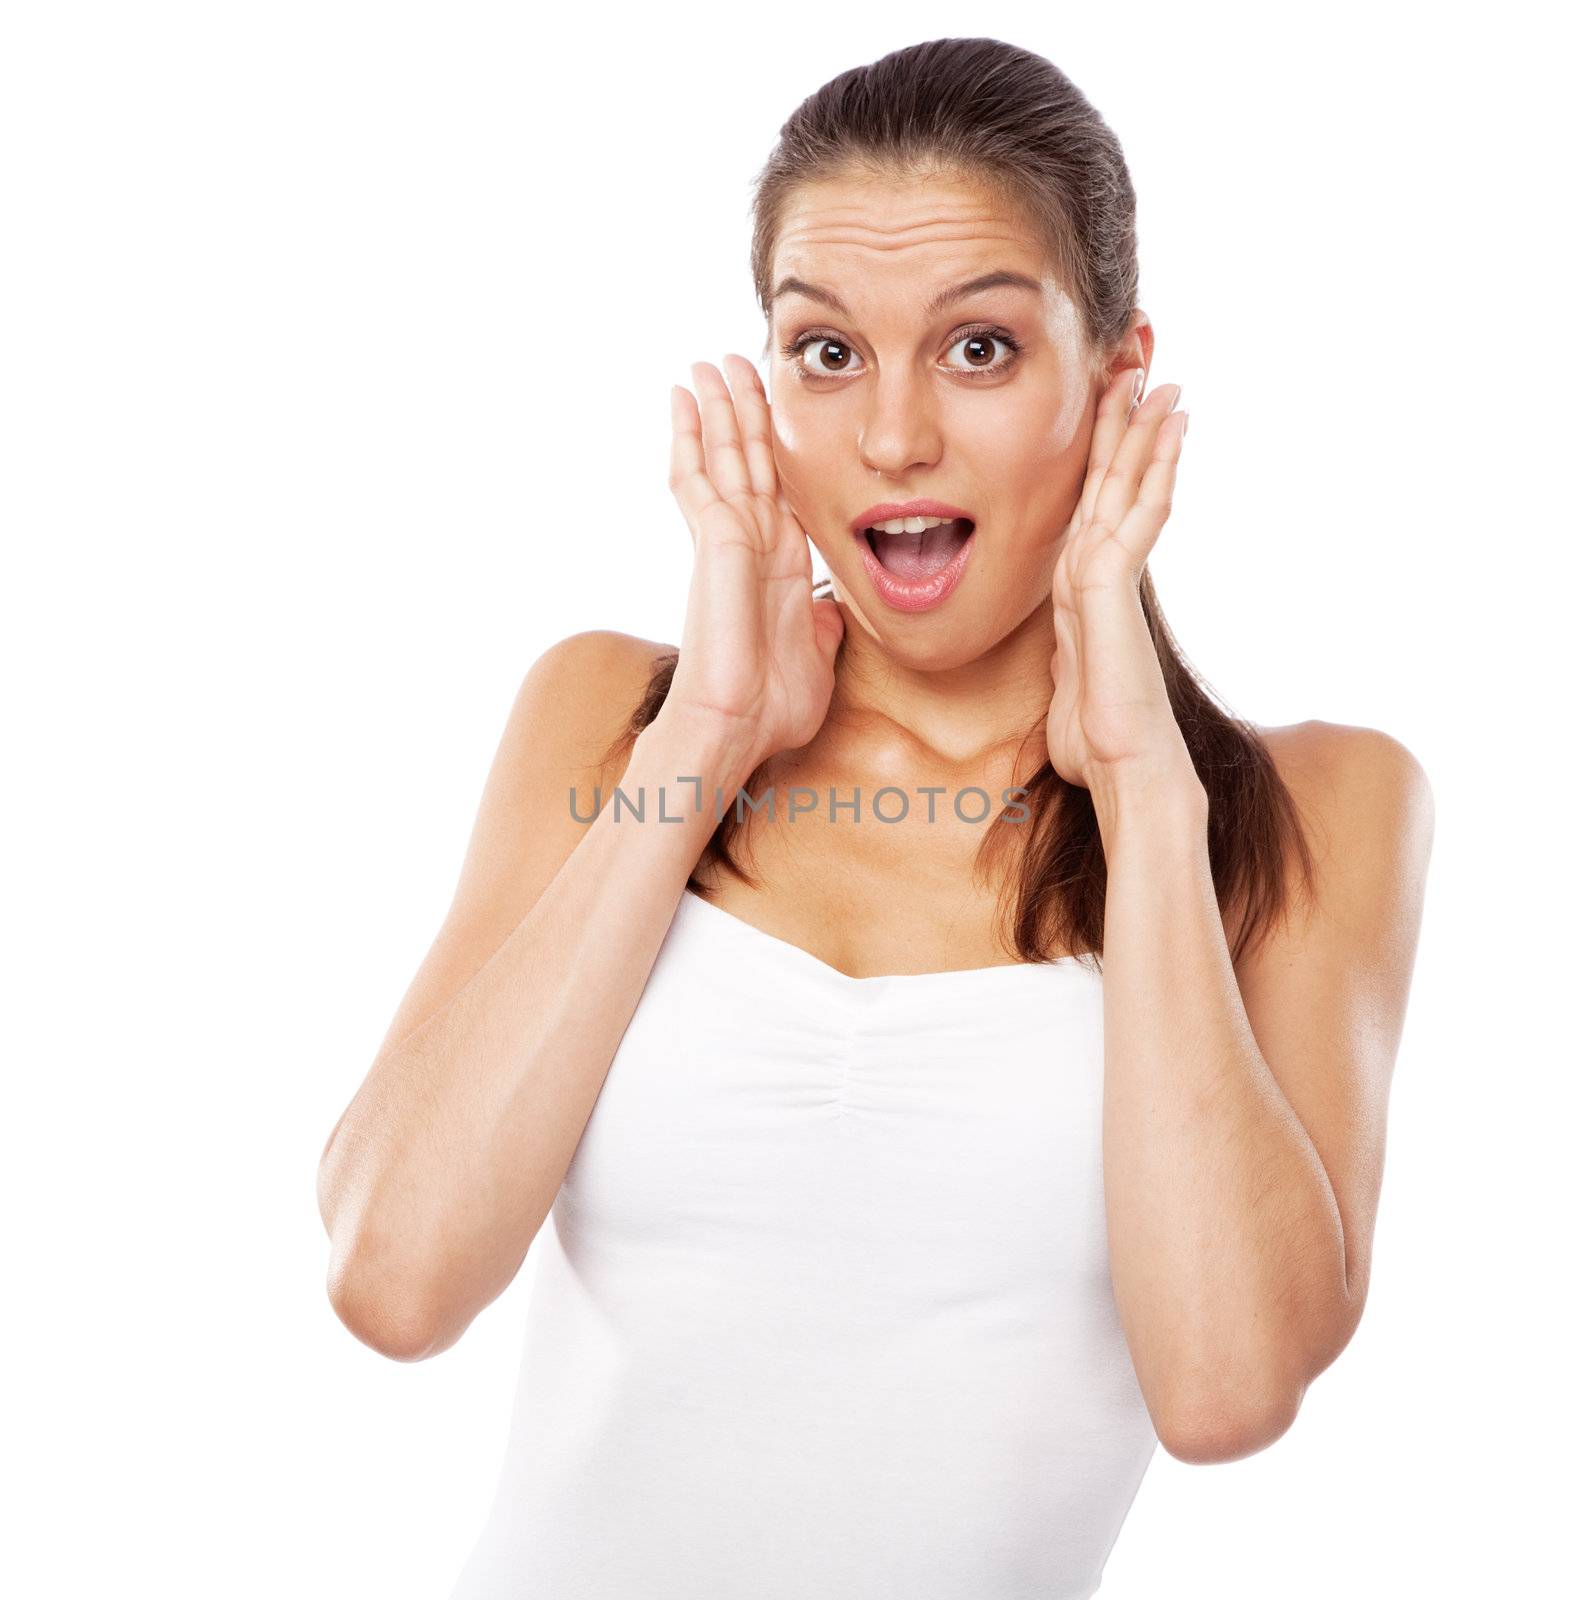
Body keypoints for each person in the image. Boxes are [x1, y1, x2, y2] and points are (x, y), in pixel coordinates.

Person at [316, 36, 1434, 1599]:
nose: (894, 438)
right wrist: (702, 740)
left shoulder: (1313, 806)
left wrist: (1140, 785)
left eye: (977, 349)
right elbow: (393, 1278)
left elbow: (1228, 1387)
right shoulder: (606, 716)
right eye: (827, 353)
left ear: (1114, 383)